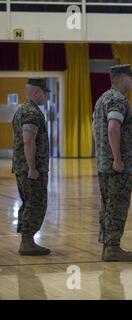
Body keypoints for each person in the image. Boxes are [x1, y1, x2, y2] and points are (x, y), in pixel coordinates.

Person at [93, 64, 132, 262]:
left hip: (104, 162)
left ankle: (107, 245)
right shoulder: (118, 99)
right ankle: (113, 247)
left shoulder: (103, 98)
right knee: (117, 205)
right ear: (121, 79)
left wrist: (103, 153)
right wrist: (117, 158)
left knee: (107, 204)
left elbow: (95, 128)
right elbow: (112, 128)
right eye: (131, 78)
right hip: (116, 166)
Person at [11, 78, 51, 256]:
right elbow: (28, 141)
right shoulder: (32, 113)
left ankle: (27, 240)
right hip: (30, 169)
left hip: (22, 167)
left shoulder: (22, 110)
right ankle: (27, 242)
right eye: (45, 93)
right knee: (35, 203)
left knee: (28, 203)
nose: (46, 97)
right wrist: (32, 168)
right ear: (37, 92)